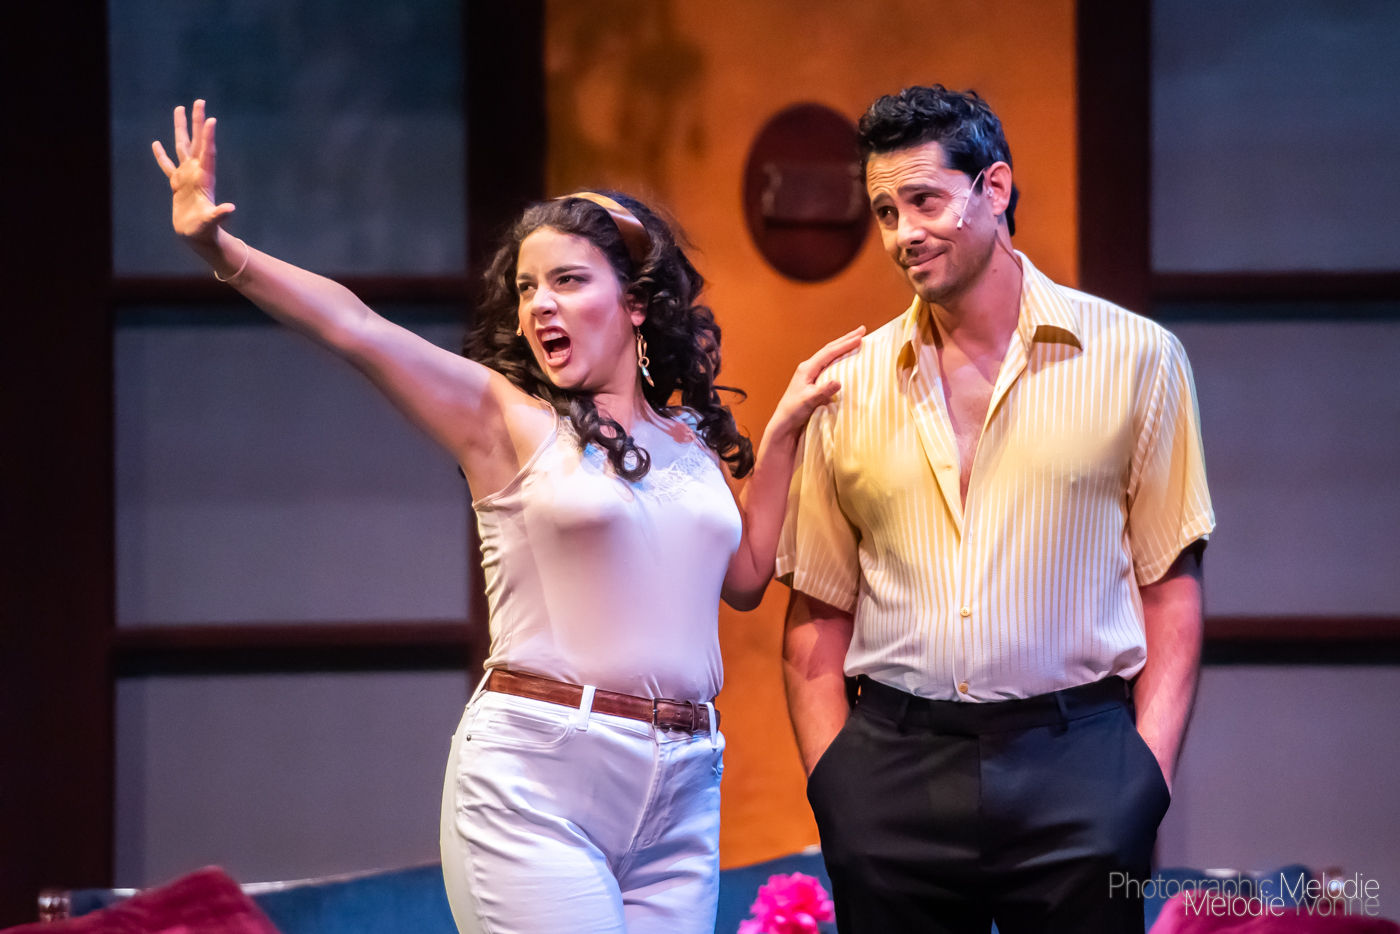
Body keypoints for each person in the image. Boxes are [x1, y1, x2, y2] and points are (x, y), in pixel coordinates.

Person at [153, 100, 862, 934]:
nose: (540, 307)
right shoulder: (506, 419)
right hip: (540, 776)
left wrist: (781, 434)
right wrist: (221, 250)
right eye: (527, 288)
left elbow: (743, 581)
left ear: (636, 304)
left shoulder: (688, 439)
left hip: (683, 789)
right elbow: (357, 329)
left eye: (568, 281)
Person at [777, 85, 1214, 933]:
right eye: (885, 212)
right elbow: (817, 611)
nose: (903, 234)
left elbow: (1171, 591)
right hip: (892, 766)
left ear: (996, 188)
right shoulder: (848, 384)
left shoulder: (1137, 358)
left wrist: (1143, 782)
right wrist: (839, 791)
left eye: (924, 200)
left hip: (1081, 761)